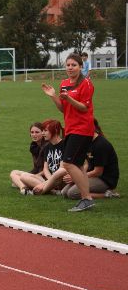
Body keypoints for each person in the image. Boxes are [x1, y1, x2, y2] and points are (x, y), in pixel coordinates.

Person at [41, 52, 95, 212]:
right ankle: (87, 199)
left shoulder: (86, 83)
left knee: (67, 163)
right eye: (68, 65)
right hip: (71, 128)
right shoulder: (64, 83)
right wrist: (53, 96)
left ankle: (86, 198)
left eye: (74, 65)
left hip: (82, 128)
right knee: (77, 164)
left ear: (81, 67)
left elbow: (84, 107)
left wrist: (69, 98)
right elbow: (63, 109)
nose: (70, 68)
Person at [61, 119, 120, 199]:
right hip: (92, 175)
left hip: (104, 179)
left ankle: (108, 194)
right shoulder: (86, 142)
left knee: (72, 193)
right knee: (64, 192)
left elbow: (98, 172)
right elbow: (86, 164)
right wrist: (75, 175)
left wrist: (76, 178)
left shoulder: (101, 144)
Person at [19, 119, 64, 195]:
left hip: (61, 180)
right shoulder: (47, 146)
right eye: (42, 131)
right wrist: (50, 180)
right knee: (23, 176)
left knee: (25, 178)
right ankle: (53, 191)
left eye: (45, 131)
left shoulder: (64, 145)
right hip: (51, 178)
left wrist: (50, 180)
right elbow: (45, 168)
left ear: (55, 131)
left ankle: (42, 190)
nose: (43, 133)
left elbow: (61, 170)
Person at [9, 122, 46, 190]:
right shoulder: (33, 146)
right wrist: (30, 174)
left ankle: (23, 186)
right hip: (37, 174)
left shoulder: (47, 146)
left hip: (45, 176)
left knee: (20, 179)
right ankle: (24, 188)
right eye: (32, 132)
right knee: (13, 173)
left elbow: (48, 169)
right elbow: (35, 167)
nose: (34, 134)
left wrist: (35, 175)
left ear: (43, 133)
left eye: (37, 132)